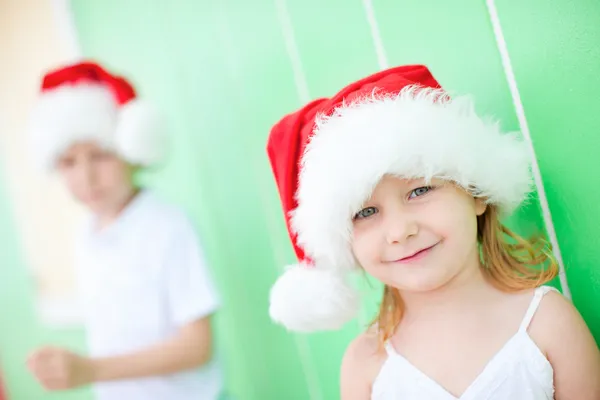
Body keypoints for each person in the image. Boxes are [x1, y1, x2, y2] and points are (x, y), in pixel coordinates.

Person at [265, 65, 600, 399]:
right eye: (366, 212)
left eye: (420, 191)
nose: (400, 231)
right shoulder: (365, 365)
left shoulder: (546, 323)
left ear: (476, 193)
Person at [25, 61, 226, 400]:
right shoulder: (86, 234)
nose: (86, 177)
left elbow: (197, 346)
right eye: (69, 162)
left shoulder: (166, 225)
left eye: (100, 155)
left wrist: (90, 370)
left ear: (132, 149)